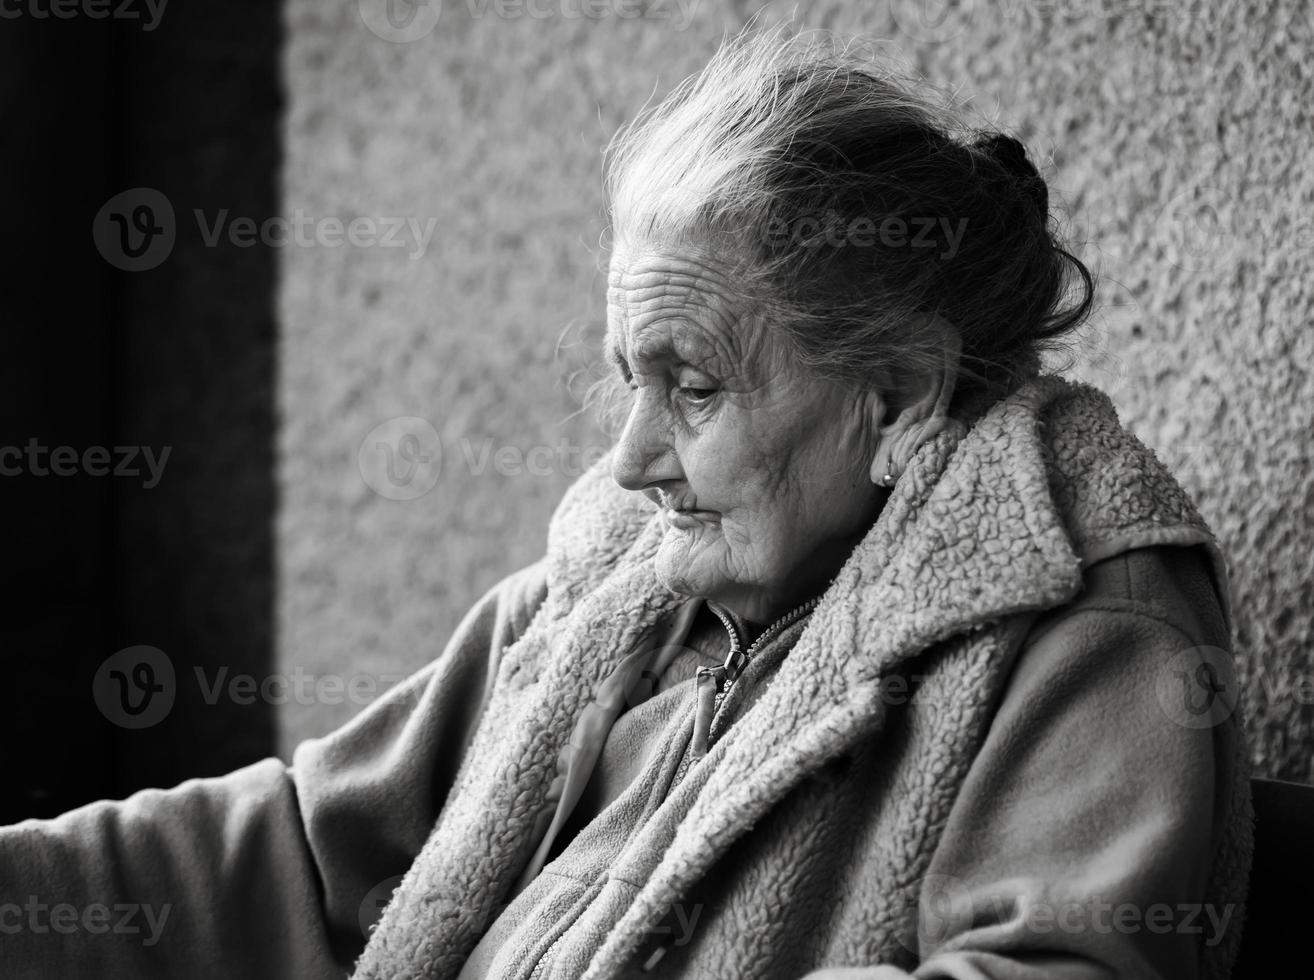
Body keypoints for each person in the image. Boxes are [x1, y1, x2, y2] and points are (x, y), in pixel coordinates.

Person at [0, 26, 1251, 980]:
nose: (632, 461)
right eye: (627, 385)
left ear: (901, 394)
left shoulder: (1086, 624)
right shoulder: (608, 592)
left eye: (694, 387)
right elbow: (305, 849)